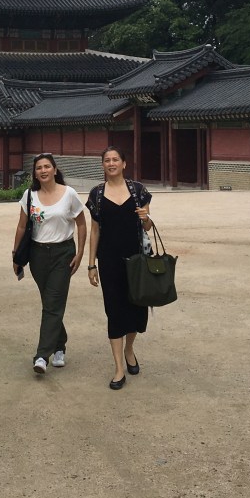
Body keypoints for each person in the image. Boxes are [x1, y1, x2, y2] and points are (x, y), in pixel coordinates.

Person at [85, 146, 153, 390]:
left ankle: (129, 349)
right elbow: (94, 231)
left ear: (124, 163)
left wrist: (145, 217)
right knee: (114, 312)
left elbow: (148, 227)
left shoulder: (138, 191)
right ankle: (118, 368)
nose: (111, 163)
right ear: (102, 165)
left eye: (116, 159)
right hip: (109, 261)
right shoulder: (97, 194)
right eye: (107, 160)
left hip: (137, 260)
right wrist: (91, 264)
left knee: (137, 311)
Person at [12, 153, 86, 375]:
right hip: (38, 255)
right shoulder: (29, 195)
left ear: (55, 169)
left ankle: (42, 355)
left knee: (52, 303)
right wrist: (16, 255)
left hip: (63, 253)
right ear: (35, 173)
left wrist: (81, 253)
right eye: (39, 168)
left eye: (47, 166)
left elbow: (81, 224)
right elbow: (22, 226)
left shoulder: (69, 194)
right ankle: (59, 345)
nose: (43, 171)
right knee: (50, 302)